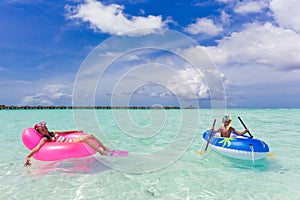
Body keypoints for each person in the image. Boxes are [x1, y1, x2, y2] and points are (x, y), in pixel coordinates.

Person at [24, 121, 111, 167]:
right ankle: (101, 152)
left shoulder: (53, 133)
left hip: (71, 141)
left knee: (90, 136)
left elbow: (65, 132)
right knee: (86, 139)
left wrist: (76, 131)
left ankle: (104, 148)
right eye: (43, 130)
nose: (45, 130)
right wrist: (28, 156)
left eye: (45, 128)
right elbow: (37, 148)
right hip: (70, 144)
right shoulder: (45, 139)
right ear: (40, 133)